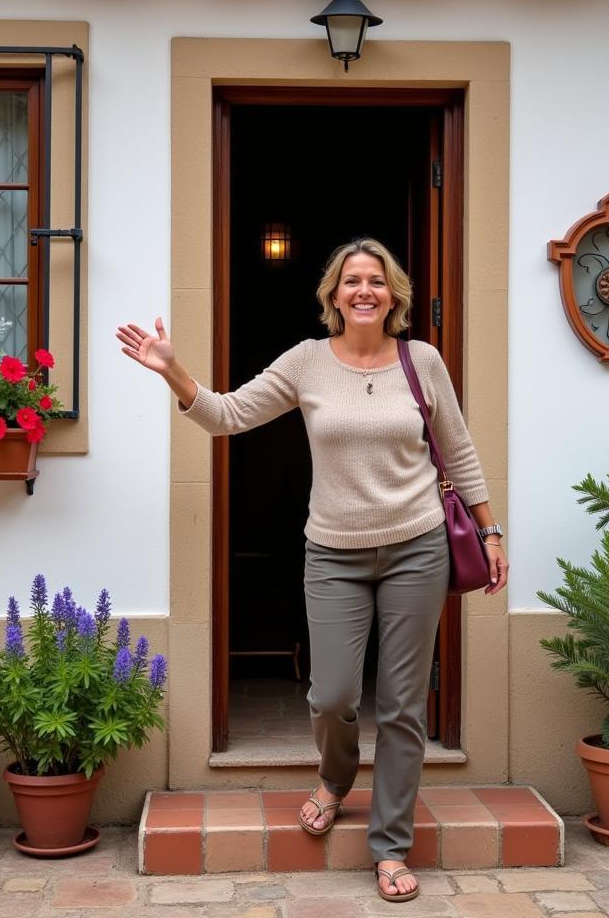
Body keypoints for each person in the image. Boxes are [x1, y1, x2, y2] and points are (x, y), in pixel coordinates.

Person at [117, 237, 508, 902]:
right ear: (332, 296)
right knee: (332, 697)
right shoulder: (306, 362)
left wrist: (490, 529)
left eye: (376, 282)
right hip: (333, 553)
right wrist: (172, 372)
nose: (364, 291)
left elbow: (459, 449)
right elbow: (228, 414)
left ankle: (389, 846)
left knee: (405, 706)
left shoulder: (423, 361)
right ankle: (336, 777)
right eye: (351, 281)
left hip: (418, 545)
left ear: (394, 296)